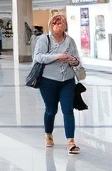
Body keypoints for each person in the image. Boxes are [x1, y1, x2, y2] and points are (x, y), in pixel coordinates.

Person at [33, 13, 83, 155]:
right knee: (51, 110)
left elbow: (77, 57)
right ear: (50, 24)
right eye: (55, 22)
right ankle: (48, 134)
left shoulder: (70, 41)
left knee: (68, 109)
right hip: (48, 80)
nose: (58, 25)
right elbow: (38, 57)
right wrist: (58, 56)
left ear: (65, 24)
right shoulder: (44, 39)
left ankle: (71, 141)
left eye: (61, 22)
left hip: (67, 80)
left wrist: (74, 61)